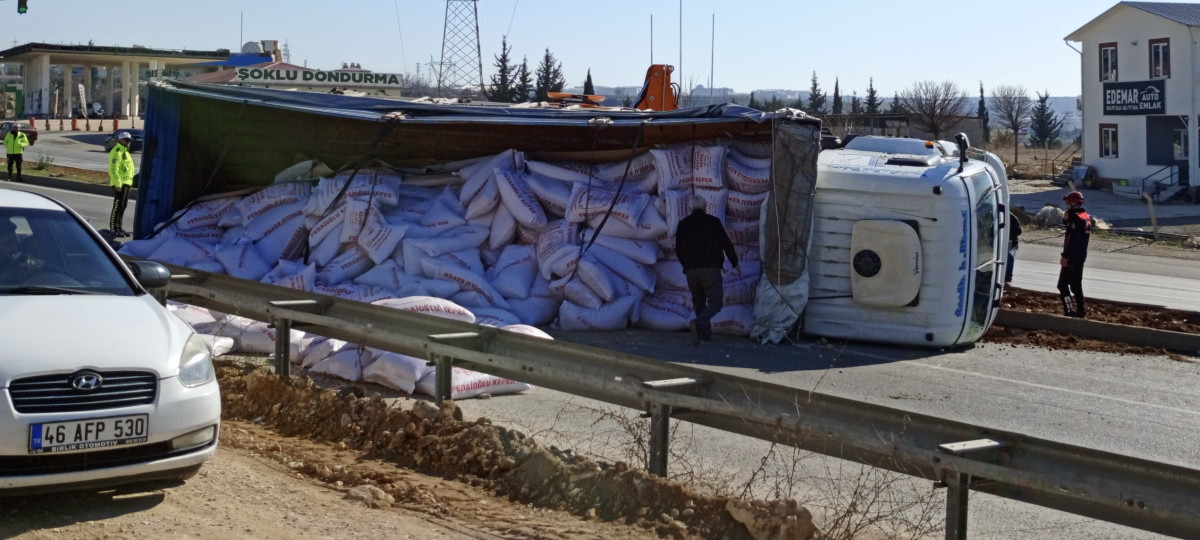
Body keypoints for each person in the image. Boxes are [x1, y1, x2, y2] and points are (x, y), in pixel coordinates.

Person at [675, 195, 739, 345]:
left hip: (691, 270)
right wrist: (734, 262)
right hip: (711, 268)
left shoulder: (683, 224)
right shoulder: (713, 222)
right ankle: (700, 323)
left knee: (699, 303)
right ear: (705, 207)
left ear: (690, 208)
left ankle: (704, 335)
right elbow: (726, 243)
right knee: (716, 302)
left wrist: (686, 266)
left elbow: (678, 249)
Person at [1058, 191, 1094, 318]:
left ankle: (1069, 310)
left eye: (1068, 203)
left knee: (1062, 285)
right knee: (1076, 285)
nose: (1066, 206)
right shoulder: (1086, 217)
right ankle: (1081, 310)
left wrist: (1065, 256)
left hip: (1072, 257)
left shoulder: (1075, 219)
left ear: (1074, 203)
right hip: (1081, 256)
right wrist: (1067, 219)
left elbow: (1071, 239)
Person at [108, 131, 135, 238]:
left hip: (127, 183)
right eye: (126, 140)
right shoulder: (116, 151)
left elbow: (129, 169)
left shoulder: (126, 152)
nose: (128, 142)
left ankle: (119, 227)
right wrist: (118, 184)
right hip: (119, 183)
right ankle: (113, 228)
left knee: (123, 206)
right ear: (120, 140)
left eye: (129, 140)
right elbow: (114, 169)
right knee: (117, 206)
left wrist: (130, 183)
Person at [1005, 210, 1023, 285]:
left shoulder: (1013, 218)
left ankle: (1008, 275)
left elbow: (1019, 231)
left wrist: (1011, 234)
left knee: (1010, 256)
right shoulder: (999, 217)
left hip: (1012, 243)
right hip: (1003, 242)